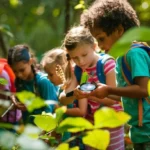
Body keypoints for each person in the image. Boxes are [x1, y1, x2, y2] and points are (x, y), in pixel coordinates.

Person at [79, 0, 150, 149]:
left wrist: (109, 89)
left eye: (101, 38)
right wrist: (94, 92)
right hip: (140, 131)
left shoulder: (135, 54)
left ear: (119, 30)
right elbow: (124, 94)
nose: (100, 46)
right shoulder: (121, 57)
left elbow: (143, 90)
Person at [63, 26, 124, 150]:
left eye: (84, 55)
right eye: (75, 58)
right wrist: (73, 94)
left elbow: (114, 99)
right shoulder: (77, 70)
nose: (80, 61)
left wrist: (88, 95)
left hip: (112, 124)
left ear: (94, 46)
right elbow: (64, 98)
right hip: (91, 126)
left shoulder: (107, 64)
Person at [40, 48, 87, 149]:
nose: (48, 78)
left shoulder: (76, 86)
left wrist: (62, 110)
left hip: (76, 134)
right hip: (65, 135)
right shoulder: (60, 89)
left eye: (50, 74)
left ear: (61, 69)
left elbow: (81, 111)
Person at [7, 44, 58, 125]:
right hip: (28, 130)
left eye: (22, 70)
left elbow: (49, 111)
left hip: (45, 130)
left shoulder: (44, 82)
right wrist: (15, 100)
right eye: (15, 71)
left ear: (30, 62)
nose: (19, 75)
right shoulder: (20, 82)